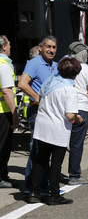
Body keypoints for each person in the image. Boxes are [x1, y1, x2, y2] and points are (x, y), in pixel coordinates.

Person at [29, 57, 83, 205]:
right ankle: (54, 194)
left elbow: (39, 98)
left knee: (40, 160)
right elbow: (69, 115)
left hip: (42, 126)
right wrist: (78, 118)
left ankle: (34, 192)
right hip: (58, 129)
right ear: (75, 73)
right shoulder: (70, 89)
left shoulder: (50, 82)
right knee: (56, 163)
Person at [18, 35, 58, 199]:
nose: (51, 50)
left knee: (47, 149)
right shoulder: (34, 63)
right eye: (48, 46)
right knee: (37, 149)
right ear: (40, 48)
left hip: (52, 113)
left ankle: (43, 185)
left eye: (54, 47)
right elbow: (22, 83)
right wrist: (36, 97)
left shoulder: (55, 66)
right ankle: (29, 187)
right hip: (38, 113)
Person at [66, 41, 88, 186]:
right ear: (82, 53)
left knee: (60, 143)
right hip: (80, 108)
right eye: (86, 52)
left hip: (65, 108)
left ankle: (51, 175)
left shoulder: (63, 66)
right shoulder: (85, 68)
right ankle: (74, 175)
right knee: (76, 144)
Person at [0, 35, 16, 189]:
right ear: (4, 47)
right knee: (3, 146)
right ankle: (1, 177)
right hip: (3, 111)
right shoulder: (4, 65)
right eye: (9, 44)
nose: (10, 47)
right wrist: (14, 113)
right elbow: (6, 91)